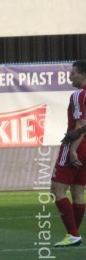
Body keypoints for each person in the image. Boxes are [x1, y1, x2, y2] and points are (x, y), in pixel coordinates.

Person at [50, 60, 86, 247]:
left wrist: (72, 150)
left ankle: (72, 234)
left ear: (83, 75)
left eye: (73, 73)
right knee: (78, 193)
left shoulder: (79, 95)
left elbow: (80, 124)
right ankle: (73, 235)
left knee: (57, 190)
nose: (70, 76)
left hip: (76, 145)